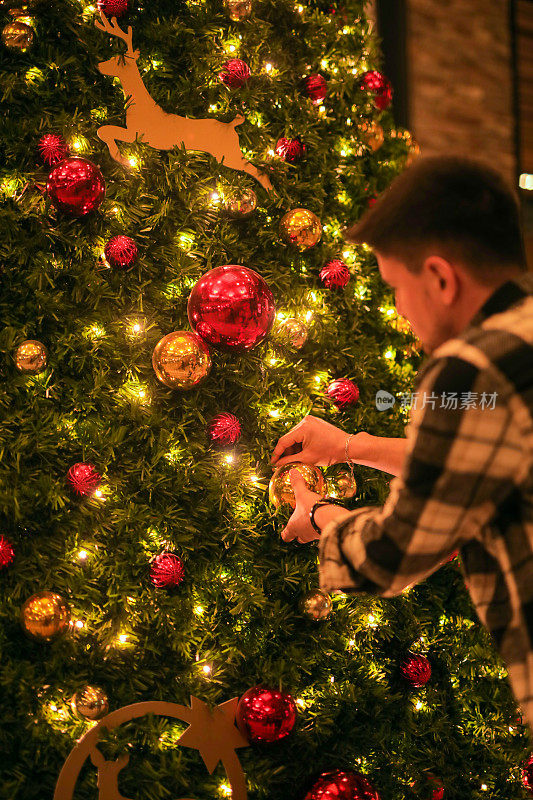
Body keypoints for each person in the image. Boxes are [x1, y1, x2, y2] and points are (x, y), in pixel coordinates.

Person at [270, 155, 533, 732]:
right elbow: (483, 465)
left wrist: (317, 514)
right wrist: (349, 447)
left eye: (395, 287)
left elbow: (394, 557)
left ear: (440, 277)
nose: (398, 309)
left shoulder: (469, 369)